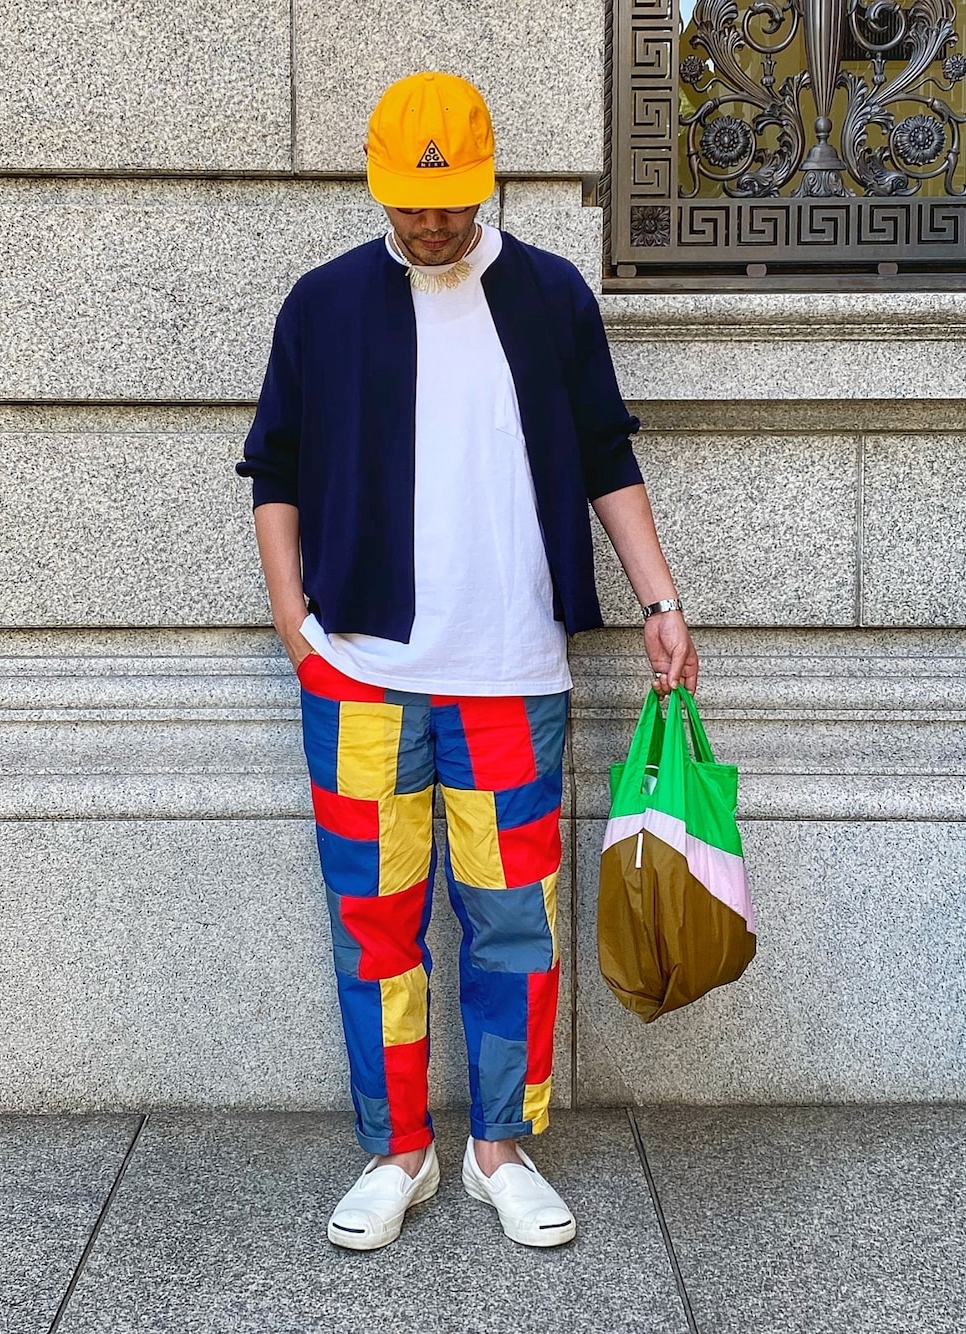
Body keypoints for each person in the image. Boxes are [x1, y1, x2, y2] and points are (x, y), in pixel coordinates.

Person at [236, 70, 699, 1251]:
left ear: (487, 182)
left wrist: (659, 598)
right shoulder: (324, 304)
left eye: (450, 201)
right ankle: (398, 1148)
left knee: (511, 924)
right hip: (361, 675)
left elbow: (606, 452)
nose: (432, 221)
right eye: (410, 202)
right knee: (373, 924)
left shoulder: (548, 296)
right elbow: (274, 467)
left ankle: (500, 1147)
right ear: (376, 184)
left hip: (511, 675)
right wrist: (294, 623)